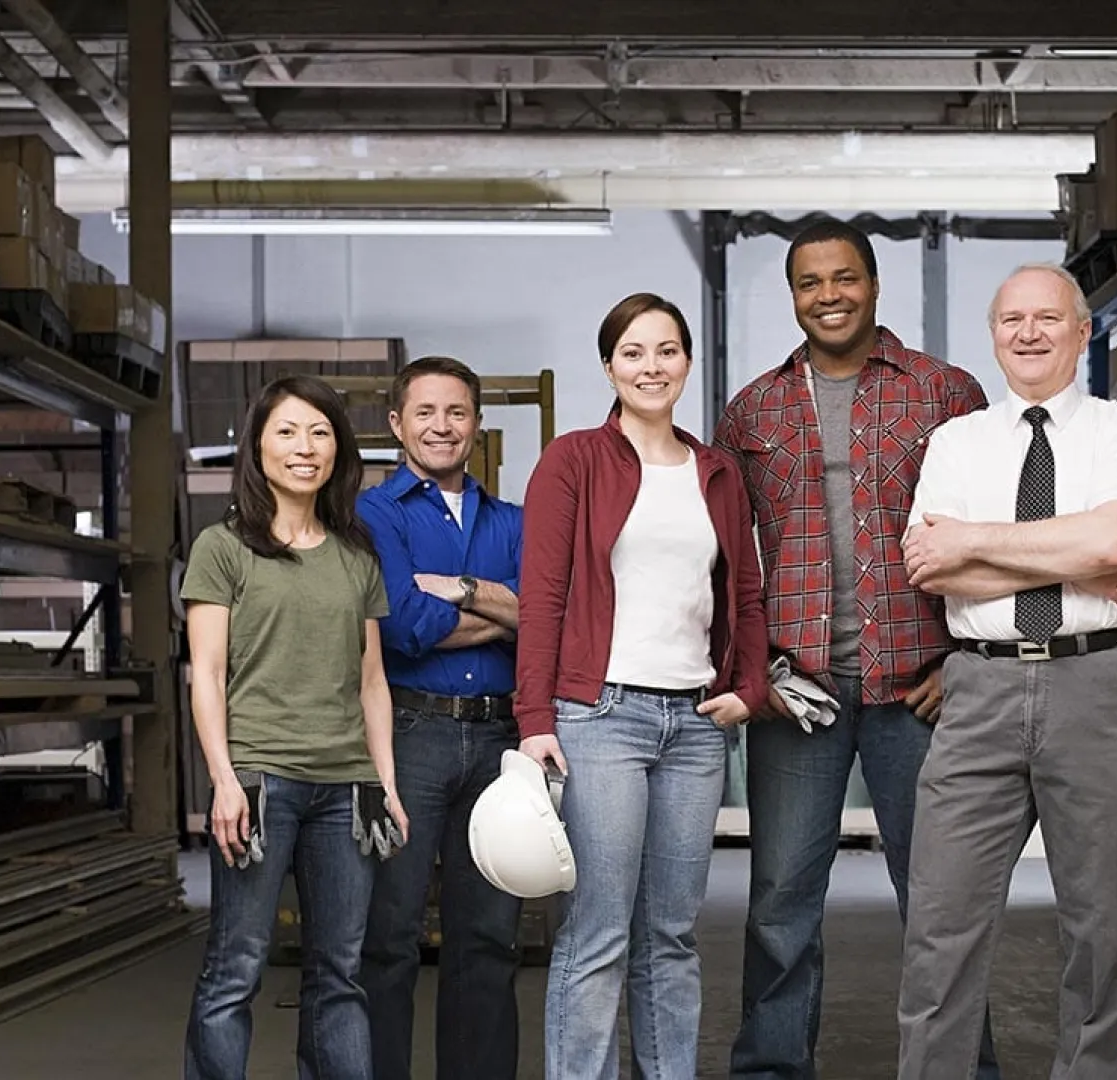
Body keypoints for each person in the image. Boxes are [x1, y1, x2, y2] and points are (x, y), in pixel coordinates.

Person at [712, 217, 1001, 1080]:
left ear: (874, 285)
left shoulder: (945, 393)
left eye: (844, 278)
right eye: (810, 282)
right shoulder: (753, 409)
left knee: (941, 904)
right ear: (793, 295)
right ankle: (770, 1068)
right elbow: (730, 556)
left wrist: (965, 657)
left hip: (917, 685)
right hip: (800, 691)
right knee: (779, 905)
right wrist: (751, 664)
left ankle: (963, 1068)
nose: (828, 296)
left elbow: (995, 536)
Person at [896, 263, 1117, 1080]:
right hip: (978, 689)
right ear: (993, 335)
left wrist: (979, 540)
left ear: (1083, 332)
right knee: (940, 925)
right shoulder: (957, 442)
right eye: (1011, 318)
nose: (1028, 332)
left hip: (1100, 686)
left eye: (1048, 316)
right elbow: (931, 569)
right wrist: (1070, 558)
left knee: (1101, 928)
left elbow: (1114, 546)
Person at [515, 291, 771, 1080]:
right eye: (633, 352)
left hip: (695, 723)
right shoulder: (574, 460)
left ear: (687, 364)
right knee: (599, 929)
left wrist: (751, 688)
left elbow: (748, 593)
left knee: (671, 932)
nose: (651, 366)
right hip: (601, 716)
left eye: (665, 351)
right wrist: (535, 717)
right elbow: (544, 592)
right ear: (609, 366)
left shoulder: (717, 471)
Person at [181, 374, 411, 1080]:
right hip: (259, 783)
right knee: (236, 969)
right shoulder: (223, 548)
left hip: (346, 790)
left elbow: (372, 682)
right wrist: (223, 781)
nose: (305, 447)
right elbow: (207, 674)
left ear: (339, 450)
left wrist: (387, 784)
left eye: (320, 432)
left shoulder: (356, 554)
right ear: (257, 445)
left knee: (340, 974)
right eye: (287, 431)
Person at [356, 356, 527, 1080]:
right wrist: (502, 612)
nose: (441, 426)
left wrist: (456, 593)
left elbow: (552, 618)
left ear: (477, 424)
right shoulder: (374, 513)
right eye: (424, 412)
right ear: (397, 424)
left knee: (488, 936)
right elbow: (398, 625)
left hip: (498, 739)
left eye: (456, 412)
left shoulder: (515, 520)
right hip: (409, 734)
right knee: (389, 933)